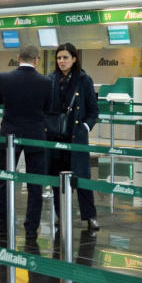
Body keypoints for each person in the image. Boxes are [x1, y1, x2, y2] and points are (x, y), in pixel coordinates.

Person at [0, 45, 53, 241]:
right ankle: (31, 229)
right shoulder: (46, 82)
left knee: (4, 181)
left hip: (9, 135)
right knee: (35, 184)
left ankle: (2, 225)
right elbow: (49, 107)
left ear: (18, 58)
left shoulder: (4, 78)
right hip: (36, 135)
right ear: (37, 60)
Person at [46, 43, 100, 231]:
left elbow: (94, 110)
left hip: (76, 138)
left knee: (82, 178)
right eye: (59, 58)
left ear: (74, 59)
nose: (61, 61)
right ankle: (61, 215)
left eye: (65, 58)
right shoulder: (51, 79)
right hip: (55, 137)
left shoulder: (84, 80)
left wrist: (85, 127)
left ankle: (90, 217)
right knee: (56, 180)